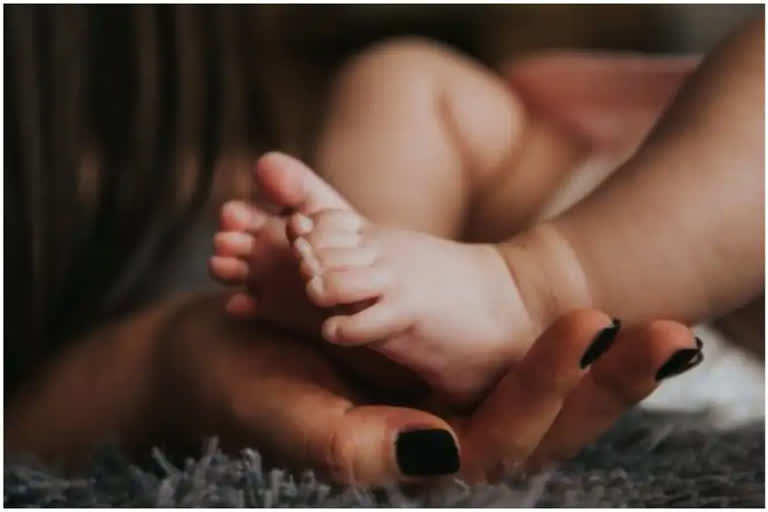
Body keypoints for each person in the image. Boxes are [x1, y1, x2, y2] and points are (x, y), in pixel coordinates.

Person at [4, 5, 751, 488]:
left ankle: (512, 288)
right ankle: (382, 285)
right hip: (589, 214)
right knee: (398, 75)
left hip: (683, 293)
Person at [210, 17, 762, 408]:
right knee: (403, 74)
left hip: (719, 313)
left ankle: (527, 293)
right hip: (582, 199)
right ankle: (379, 281)